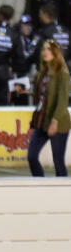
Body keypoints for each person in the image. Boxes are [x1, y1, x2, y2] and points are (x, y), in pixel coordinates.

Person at [28, 39, 70, 177]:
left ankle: (65, 193)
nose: (45, 52)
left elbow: (62, 101)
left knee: (58, 161)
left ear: (56, 53)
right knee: (32, 156)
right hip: (42, 120)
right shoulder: (42, 72)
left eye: (49, 49)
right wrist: (25, 91)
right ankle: (39, 185)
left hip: (57, 122)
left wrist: (55, 121)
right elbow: (42, 96)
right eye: (44, 49)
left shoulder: (62, 73)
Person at [13, 14, 40, 104]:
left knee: (24, 100)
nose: (28, 28)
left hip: (25, 75)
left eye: (30, 25)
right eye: (25, 25)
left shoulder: (30, 40)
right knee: (15, 100)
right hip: (15, 75)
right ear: (20, 26)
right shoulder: (15, 38)